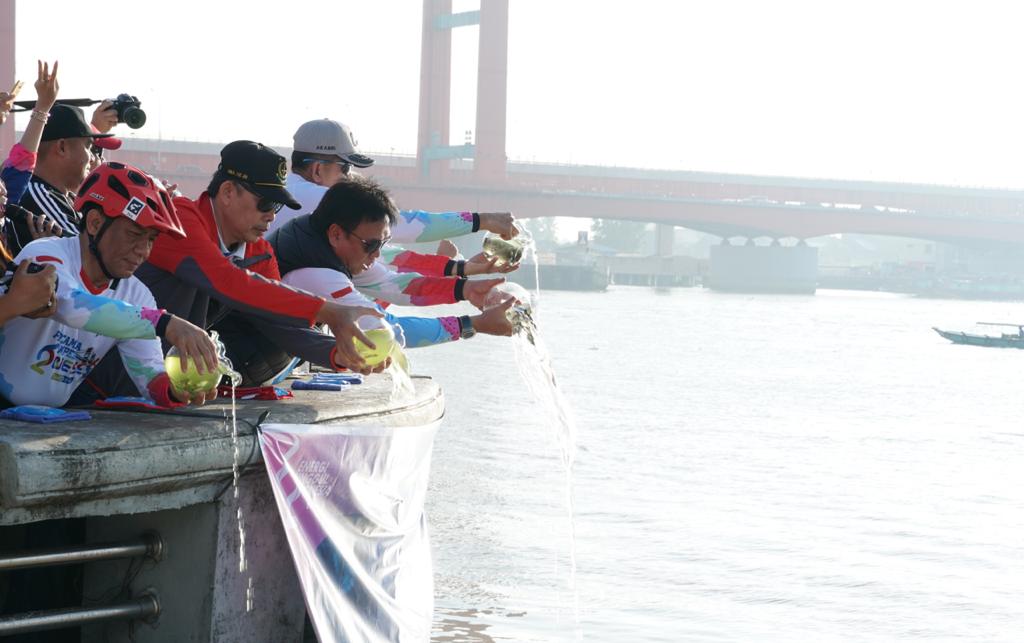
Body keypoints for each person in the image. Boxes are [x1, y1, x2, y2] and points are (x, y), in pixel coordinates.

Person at [69, 140, 386, 404]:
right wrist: (328, 311)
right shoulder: (179, 222)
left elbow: (279, 325)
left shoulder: (260, 252)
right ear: (228, 192)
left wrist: (340, 355)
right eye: (265, 203)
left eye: (277, 207)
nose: (270, 217)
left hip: (161, 388)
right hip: (94, 379)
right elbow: (227, 281)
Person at [255, 176, 515, 385]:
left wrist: (466, 289)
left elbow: (398, 286)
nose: (378, 254)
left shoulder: (321, 236)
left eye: (384, 243)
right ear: (336, 234)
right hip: (256, 368)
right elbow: (386, 331)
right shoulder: (317, 276)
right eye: (372, 245)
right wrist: (474, 324)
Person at [0, 162, 219, 408]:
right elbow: (72, 307)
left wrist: (177, 389)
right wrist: (165, 323)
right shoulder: (44, 254)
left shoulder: (138, 295)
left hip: (48, 417)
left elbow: (149, 374)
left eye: (151, 239)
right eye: (134, 234)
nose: (143, 251)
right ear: (94, 223)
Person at [270, 118, 519, 243]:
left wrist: (457, 271)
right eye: (345, 167)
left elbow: (382, 264)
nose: (350, 176)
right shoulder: (319, 198)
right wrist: (482, 220)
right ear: (317, 170)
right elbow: (403, 225)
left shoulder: (287, 190)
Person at [12, 102, 119, 253]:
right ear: (62, 147)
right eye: (88, 147)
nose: (92, 158)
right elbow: (96, 255)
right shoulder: (40, 195)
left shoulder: (62, 196)